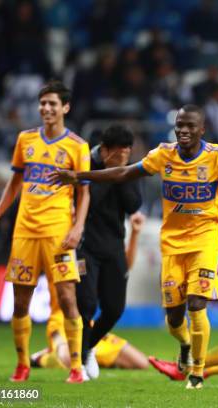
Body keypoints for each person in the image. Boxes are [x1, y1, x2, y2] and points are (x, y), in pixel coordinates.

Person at [49, 104, 218, 389]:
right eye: (180, 125)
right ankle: (185, 345)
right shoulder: (163, 155)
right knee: (174, 318)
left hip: (205, 240)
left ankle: (196, 372)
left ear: (202, 129)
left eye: (190, 126)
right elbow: (122, 173)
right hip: (172, 245)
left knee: (196, 304)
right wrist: (80, 176)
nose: (184, 130)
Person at [0, 80, 91, 383]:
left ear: (65, 108)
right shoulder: (25, 140)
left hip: (58, 231)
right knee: (20, 302)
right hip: (25, 231)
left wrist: (78, 226)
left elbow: (84, 193)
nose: (46, 108)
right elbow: (14, 183)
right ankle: (22, 364)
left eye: (52, 103)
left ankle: (76, 367)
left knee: (68, 298)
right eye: (43, 103)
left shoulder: (77, 146)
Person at [32, 212, 148, 374]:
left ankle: (88, 351)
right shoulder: (57, 238)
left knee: (141, 362)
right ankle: (44, 358)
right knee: (68, 358)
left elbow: (122, 268)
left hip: (88, 323)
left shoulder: (97, 239)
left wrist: (135, 233)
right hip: (62, 320)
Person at [76, 125, 142, 380]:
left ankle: (88, 347)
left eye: (127, 154)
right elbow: (89, 199)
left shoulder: (129, 168)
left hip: (114, 244)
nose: (124, 159)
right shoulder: (86, 164)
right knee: (87, 304)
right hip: (85, 245)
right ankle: (79, 360)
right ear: (104, 150)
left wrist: (122, 172)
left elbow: (133, 204)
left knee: (115, 307)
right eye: (119, 154)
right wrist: (110, 173)